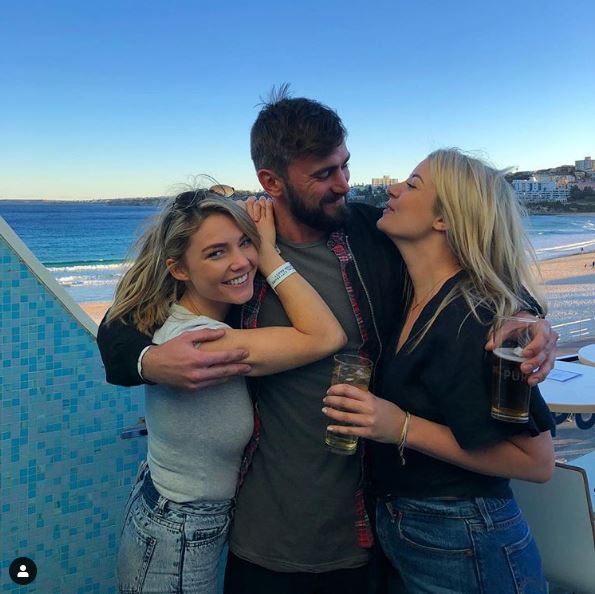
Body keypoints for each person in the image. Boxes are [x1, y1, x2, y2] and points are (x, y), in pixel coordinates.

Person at [97, 89, 559, 594]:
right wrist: (149, 361)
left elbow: (467, 262)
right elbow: (124, 322)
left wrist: (526, 318)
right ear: (270, 181)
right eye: (323, 174)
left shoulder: (373, 234)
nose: (343, 185)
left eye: (345, 165)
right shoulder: (236, 253)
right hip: (269, 531)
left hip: (373, 528)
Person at [323, 149, 555, 593]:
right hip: (415, 532)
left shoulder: (479, 319)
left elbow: (536, 461)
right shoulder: (417, 294)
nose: (391, 188)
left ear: (444, 220)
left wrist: (400, 426)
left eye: (412, 185)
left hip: (465, 538)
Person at [111, 188, 347, 594]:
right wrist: (269, 254)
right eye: (216, 253)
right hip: (179, 530)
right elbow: (326, 335)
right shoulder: (205, 342)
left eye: (244, 243)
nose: (241, 262)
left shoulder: (179, 316)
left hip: (168, 510)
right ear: (179, 269)